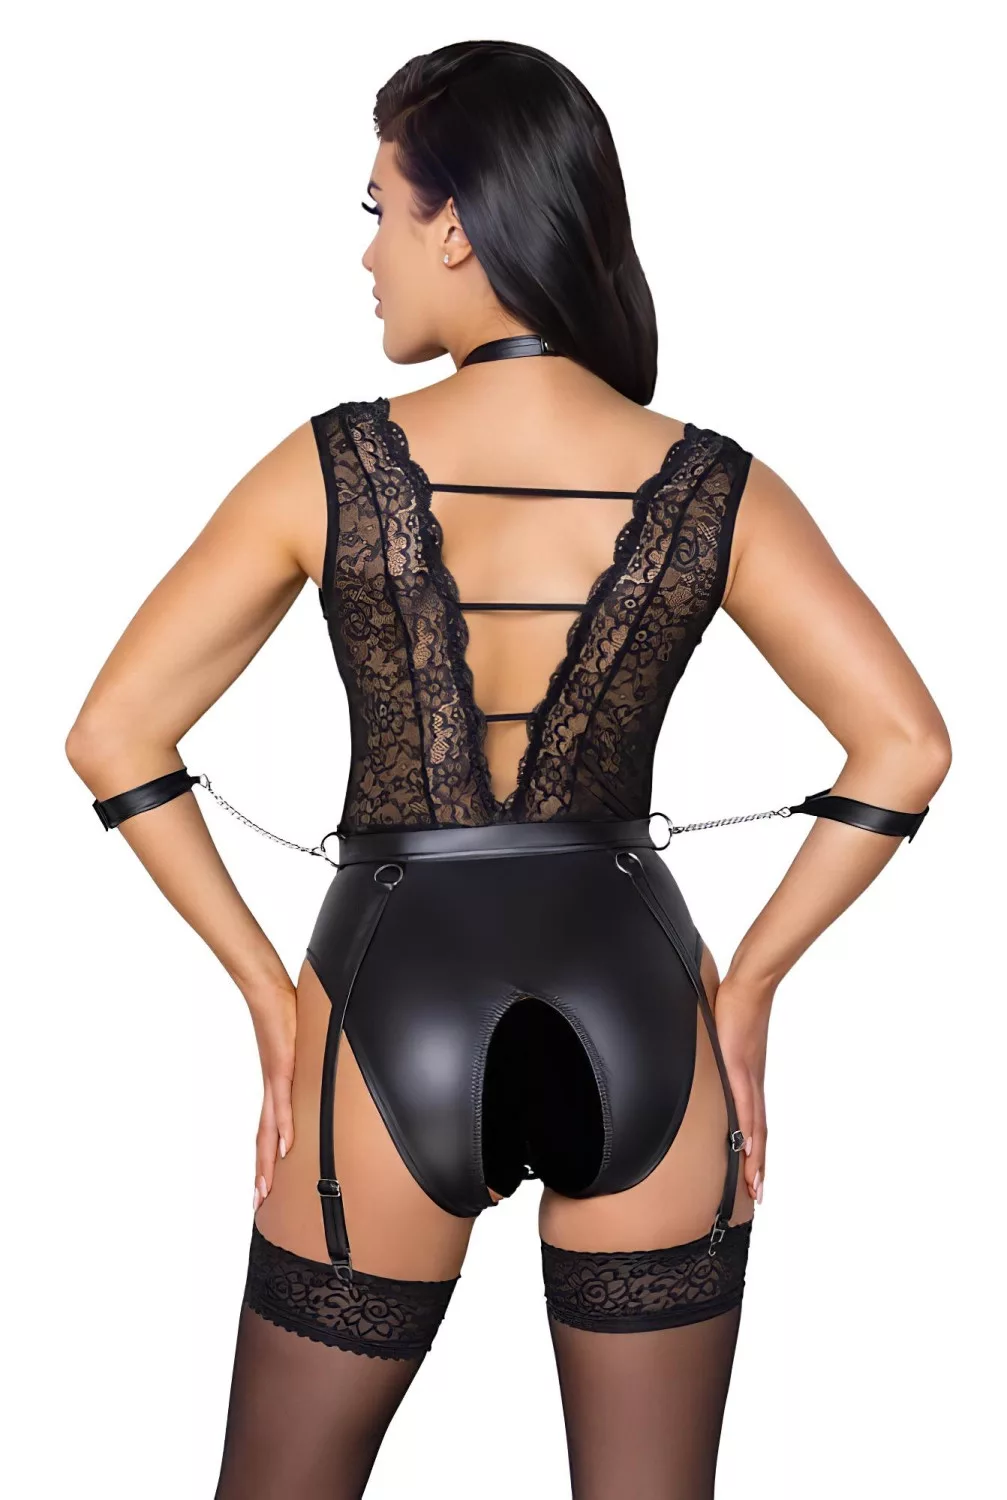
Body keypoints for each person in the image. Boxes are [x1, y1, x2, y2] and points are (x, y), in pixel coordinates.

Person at [65, 39, 950, 1500]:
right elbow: (905, 746)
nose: (366, 256)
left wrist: (271, 998)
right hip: (645, 1003)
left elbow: (113, 735)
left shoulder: (330, 468)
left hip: (385, 1003)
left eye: (378, 211)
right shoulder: (712, 480)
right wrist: (746, 990)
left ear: (458, 225)